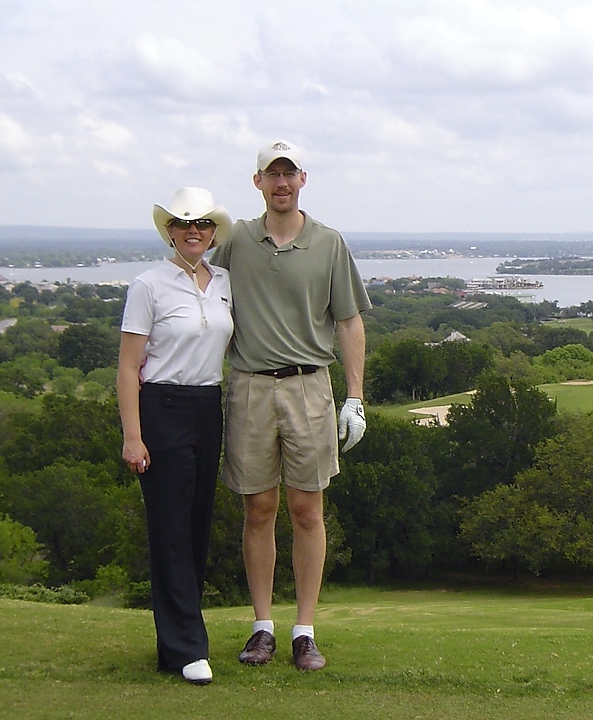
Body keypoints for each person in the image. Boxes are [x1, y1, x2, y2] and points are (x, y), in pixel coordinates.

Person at [211, 140, 371, 671]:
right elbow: (200, 291)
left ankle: (304, 630)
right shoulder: (235, 240)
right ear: (257, 182)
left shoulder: (328, 242)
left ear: (303, 179)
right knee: (258, 509)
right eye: (270, 174)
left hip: (309, 387)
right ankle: (262, 628)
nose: (280, 183)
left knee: (307, 510)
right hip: (250, 386)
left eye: (289, 173)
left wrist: (356, 397)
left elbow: (348, 320)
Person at [117, 187, 233, 686]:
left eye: (202, 224)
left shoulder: (225, 280)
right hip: (161, 407)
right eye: (184, 224)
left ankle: (175, 647)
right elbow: (127, 368)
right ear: (170, 232)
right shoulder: (149, 285)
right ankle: (189, 647)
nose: (194, 232)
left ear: (212, 232)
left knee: (196, 527)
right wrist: (132, 436)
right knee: (169, 530)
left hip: (209, 406)